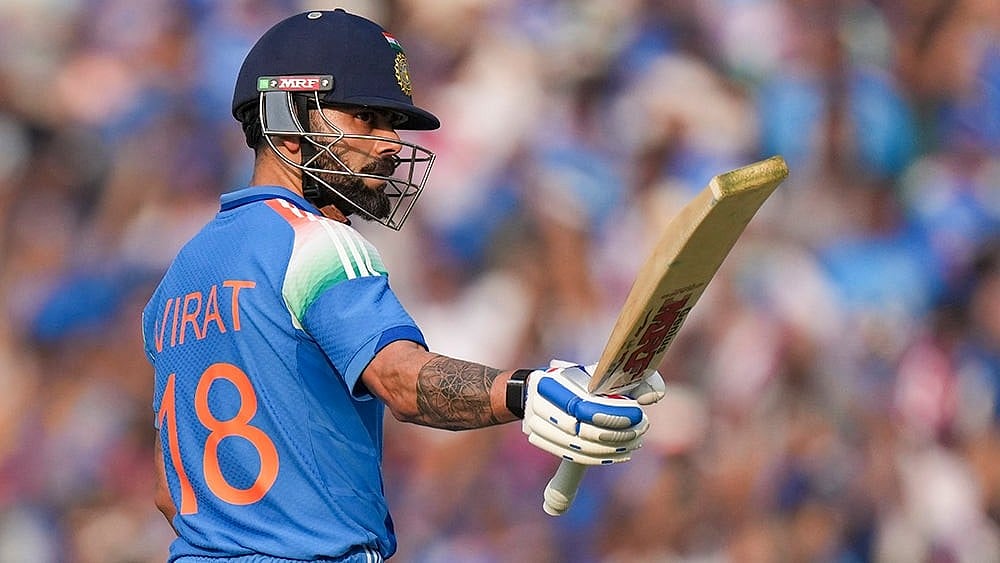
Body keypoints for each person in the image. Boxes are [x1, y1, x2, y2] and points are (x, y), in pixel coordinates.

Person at [141, 9, 665, 562]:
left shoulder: (180, 276)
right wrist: (529, 390)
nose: (391, 142)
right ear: (286, 123)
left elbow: (168, 491)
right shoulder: (315, 242)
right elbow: (403, 382)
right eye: (367, 117)